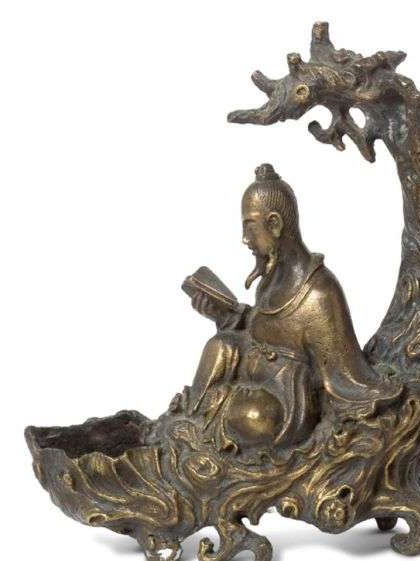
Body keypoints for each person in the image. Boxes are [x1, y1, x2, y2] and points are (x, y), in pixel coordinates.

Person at [171, 163, 401, 453]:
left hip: (281, 399)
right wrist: (223, 315)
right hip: (252, 376)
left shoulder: (319, 292)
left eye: (250, 228)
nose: (245, 240)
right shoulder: (270, 280)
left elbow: (342, 371)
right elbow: (264, 328)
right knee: (219, 346)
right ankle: (195, 418)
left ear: (275, 224)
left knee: (254, 417)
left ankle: (204, 416)